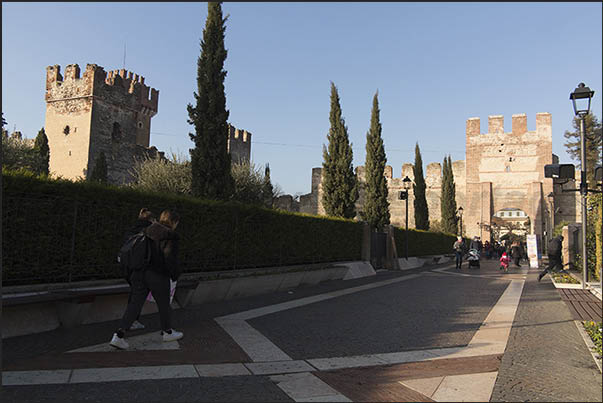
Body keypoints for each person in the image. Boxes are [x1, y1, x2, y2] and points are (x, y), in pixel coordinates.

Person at [110, 210, 183, 349]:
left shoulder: (147, 229)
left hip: (138, 273)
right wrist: (175, 274)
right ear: (173, 222)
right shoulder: (170, 235)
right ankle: (167, 332)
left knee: (135, 304)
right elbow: (169, 259)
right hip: (157, 274)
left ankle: (118, 335)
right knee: (164, 304)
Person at [120, 208, 156, 331]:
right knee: (137, 297)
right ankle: (129, 323)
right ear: (151, 219)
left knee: (135, 294)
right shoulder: (148, 231)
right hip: (140, 269)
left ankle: (130, 321)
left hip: (127, 267)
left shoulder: (131, 229)